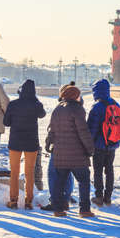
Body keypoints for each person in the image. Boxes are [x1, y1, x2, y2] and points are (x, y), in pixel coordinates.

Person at [47, 85, 95, 218]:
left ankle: (58, 209)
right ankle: (84, 210)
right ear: (75, 96)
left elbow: (52, 130)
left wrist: (49, 143)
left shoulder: (57, 109)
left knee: (59, 182)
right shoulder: (77, 110)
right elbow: (83, 132)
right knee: (84, 181)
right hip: (77, 155)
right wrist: (90, 149)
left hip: (60, 153)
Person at [4, 80, 46, 209]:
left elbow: (6, 122)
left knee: (14, 172)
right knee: (29, 172)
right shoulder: (36, 104)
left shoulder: (13, 104)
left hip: (15, 141)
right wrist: (36, 101)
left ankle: (13, 200)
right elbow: (42, 114)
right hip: (31, 142)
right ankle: (28, 201)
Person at [40, 82, 76, 212]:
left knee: (53, 172)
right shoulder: (78, 107)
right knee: (68, 173)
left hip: (60, 146)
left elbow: (53, 128)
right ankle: (65, 199)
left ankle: (55, 200)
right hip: (73, 146)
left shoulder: (60, 108)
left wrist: (49, 142)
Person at [87, 78, 120, 207]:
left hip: (99, 145)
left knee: (98, 171)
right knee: (109, 170)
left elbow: (92, 128)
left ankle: (99, 196)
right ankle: (108, 197)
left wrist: (88, 144)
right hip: (112, 143)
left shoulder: (96, 107)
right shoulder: (116, 104)